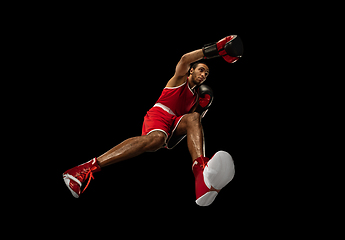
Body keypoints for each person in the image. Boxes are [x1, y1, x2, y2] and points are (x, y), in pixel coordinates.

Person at [63, 35, 243, 206]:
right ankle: (86, 168)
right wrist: (216, 49)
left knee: (194, 117)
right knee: (156, 140)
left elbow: (191, 126)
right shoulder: (180, 79)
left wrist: (203, 109)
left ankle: (201, 173)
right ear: (191, 71)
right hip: (160, 114)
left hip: (175, 123)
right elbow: (184, 58)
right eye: (201, 70)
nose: (204, 74)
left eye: (207, 73)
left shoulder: (196, 96)